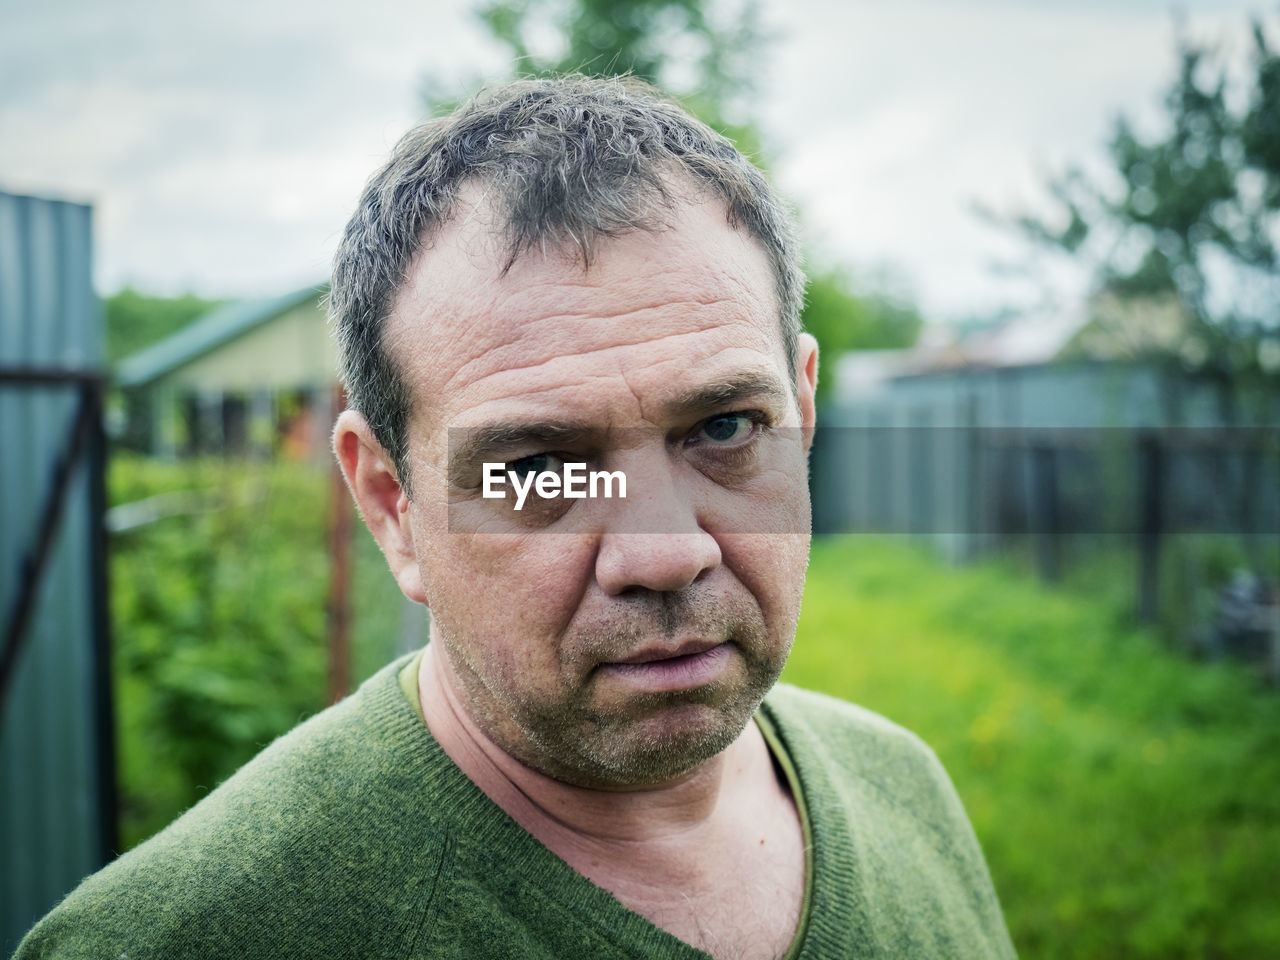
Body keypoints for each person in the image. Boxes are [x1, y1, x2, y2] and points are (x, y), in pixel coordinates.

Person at [15, 76, 1016, 959]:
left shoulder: (902, 790)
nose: (663, 552)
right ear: (391, 504)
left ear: (799, 415)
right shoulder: (181, 940)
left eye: (721, 426)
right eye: (539, 464)